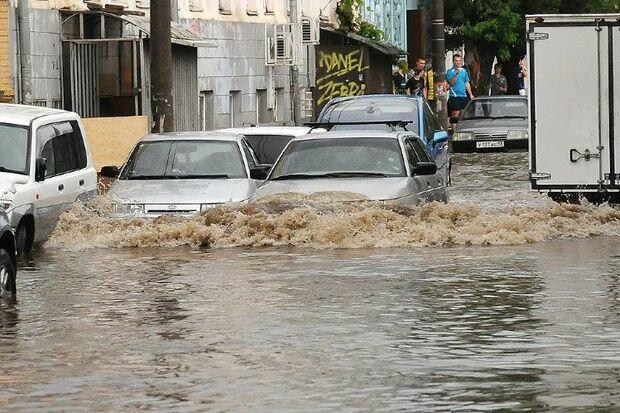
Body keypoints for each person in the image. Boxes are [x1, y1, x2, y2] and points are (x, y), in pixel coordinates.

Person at [446, 54, 475, 120]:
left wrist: (470, 94)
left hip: (463, 95)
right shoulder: (450, 71)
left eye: (459, 60)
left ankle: (459, 129)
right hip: (454, 96)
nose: (458, 62)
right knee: (455, 114)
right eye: (456, 61)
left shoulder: (464, 71)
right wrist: (457, 73)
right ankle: (454, 130)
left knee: (463, 114)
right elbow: (452, 83)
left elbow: (466, 83)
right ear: (453, 61)